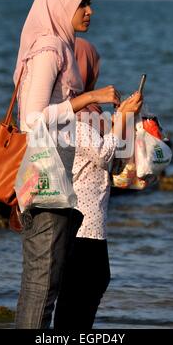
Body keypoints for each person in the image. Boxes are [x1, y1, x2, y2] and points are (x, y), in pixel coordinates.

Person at [14, 0, 121, 329]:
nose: (89, 12)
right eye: (82, 4)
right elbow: (32, 120)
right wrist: (87, 99)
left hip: (58, 181)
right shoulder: (49, 48)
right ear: (61, 5)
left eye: (91, 4)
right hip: (49, 182)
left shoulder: (61, 45)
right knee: (42, 285)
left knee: (47, 283)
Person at [54, 37, 143, 329]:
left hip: (93, 221)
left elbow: (117, 163)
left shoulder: (91, 114)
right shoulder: (72, 116)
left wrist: (127, 118)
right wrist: (120, 118)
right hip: (79, 220)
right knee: (82, 290)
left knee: (84, 289)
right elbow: (104, 154)